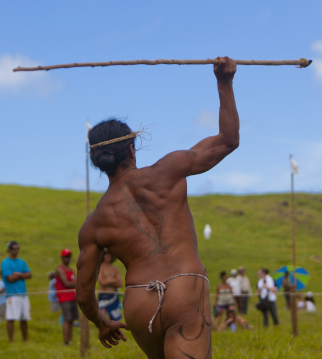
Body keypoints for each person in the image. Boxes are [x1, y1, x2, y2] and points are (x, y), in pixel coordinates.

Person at [76, 56, 239, 358]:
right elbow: (227, 141)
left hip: (139, 302)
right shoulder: (169, 170)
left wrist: (101, 323)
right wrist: (224, 82)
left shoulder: (95, 223)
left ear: (99, 163)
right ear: (130, 148)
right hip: (184, 289)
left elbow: (84, 294)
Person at [0, 240, 32, 342]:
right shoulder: (5, 262)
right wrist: (22, 275)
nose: (16, 250)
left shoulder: (22, 262)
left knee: (24, 318)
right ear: (9, 250)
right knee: (11, 318)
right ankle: (11, 341)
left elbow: (29, 275)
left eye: (17, 248)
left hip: (23, 294)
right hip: (12, 295)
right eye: (14, 248)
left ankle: (25, 340)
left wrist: (18, 274)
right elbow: (10, 278)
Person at [55, 248, 79, 345]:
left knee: (71, 320)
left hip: (72, 297)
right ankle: (65, 341)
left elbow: (73, 282)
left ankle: (70, 340)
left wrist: (76, 282)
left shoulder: (71, 270)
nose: (68, 258)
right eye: (66, 256)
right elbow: (67, 283)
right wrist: (78, 282)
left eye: (69, 256)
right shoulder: (60, 269)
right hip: (64, 298)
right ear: (62, 257)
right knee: (67, 319)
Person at [98, 250, 123, 321]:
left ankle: (113, 331)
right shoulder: (100, 267)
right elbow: (102, 282)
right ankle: (105, 331)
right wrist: (114, 280)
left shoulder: (115, 269)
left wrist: (107, 279)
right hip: (103, 295)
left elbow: (120, 283)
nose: (108, 256)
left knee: (113, 319)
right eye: (106, 254)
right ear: (103, 255)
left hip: (113, 295)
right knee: (103, 317)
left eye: (110, 254)